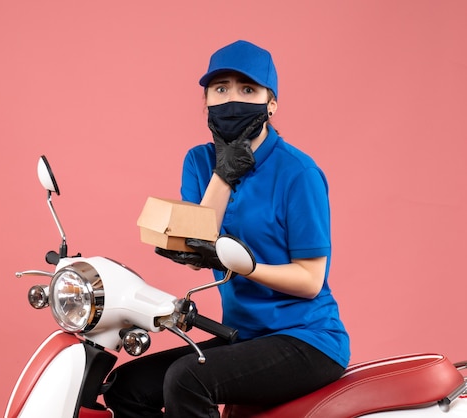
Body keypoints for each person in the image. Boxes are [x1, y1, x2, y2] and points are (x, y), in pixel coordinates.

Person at [103, 40, 350, 418]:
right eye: (220, 89)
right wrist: (224, 173)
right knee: (127, 387)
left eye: (247, 89)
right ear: (205, 102)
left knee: (188, 379)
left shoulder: (298, 173)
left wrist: (249, 269)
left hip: (307, 339)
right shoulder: (199, 161)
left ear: (272, 103)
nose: (232, 99)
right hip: (243, 337)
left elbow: (311, 280)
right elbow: (198, 244)